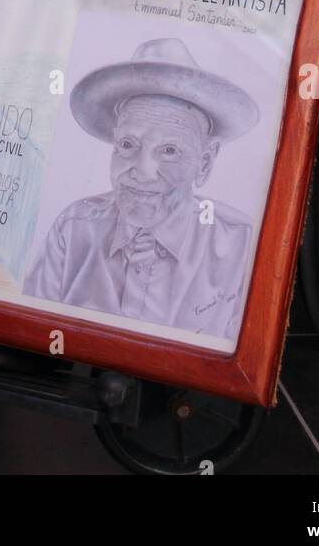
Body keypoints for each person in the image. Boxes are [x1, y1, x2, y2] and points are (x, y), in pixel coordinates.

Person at [23, 38, 259, 340]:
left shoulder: (241, 248)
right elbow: (34, 334)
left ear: (204, 163)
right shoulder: (73, 228)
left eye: (170, 150)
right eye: (127, 144)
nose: (143, 171)